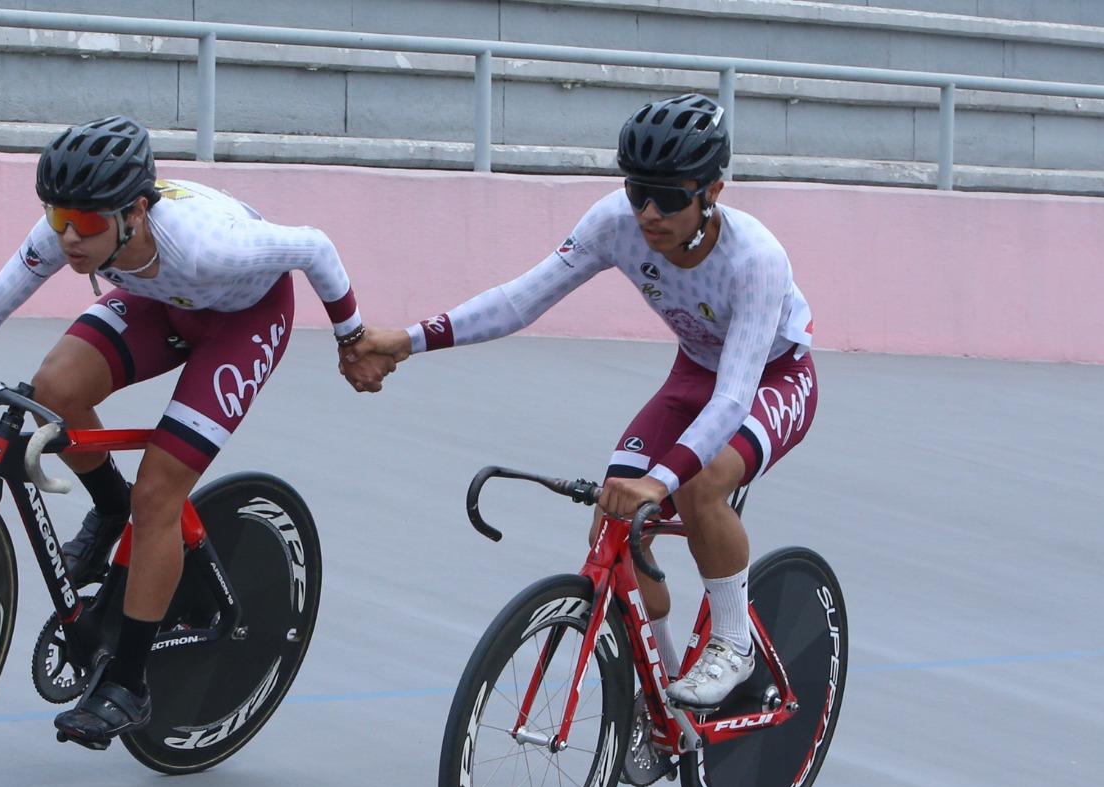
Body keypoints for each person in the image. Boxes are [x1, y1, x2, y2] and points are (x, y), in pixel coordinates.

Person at [0, 115, 369, 747]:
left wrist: (352, 339)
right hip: (162, 304)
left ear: (133, 211)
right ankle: (109, 513)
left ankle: (128, 683)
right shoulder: (72, 231)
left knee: (158, 494)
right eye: (57, 218)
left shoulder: (208, 244)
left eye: (85, 224)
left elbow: (317, 248)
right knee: (53, 390)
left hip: (242, 321)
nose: (68, 238)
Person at [346, 93, 818, 711]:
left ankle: (733, 644)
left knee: (700, 485)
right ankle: (663, 702)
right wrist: (408, 340)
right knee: (615, 523)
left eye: (669, 196)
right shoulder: (615, 224)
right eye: (635, 191)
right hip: (696, 373)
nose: (648, 212)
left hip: (773, 380)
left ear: (713, 191)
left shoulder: (756, 259)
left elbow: (734, 396)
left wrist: (662, 480)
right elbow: (522, 300)